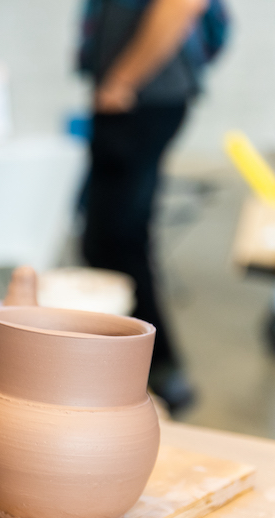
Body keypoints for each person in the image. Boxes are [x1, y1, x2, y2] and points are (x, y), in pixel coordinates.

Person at [78, 0, 224, 413]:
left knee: (114, 240)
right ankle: (147, 370)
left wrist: (122, 80)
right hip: (136, 95)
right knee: (111, 238)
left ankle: (157, 373)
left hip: (141, 96)